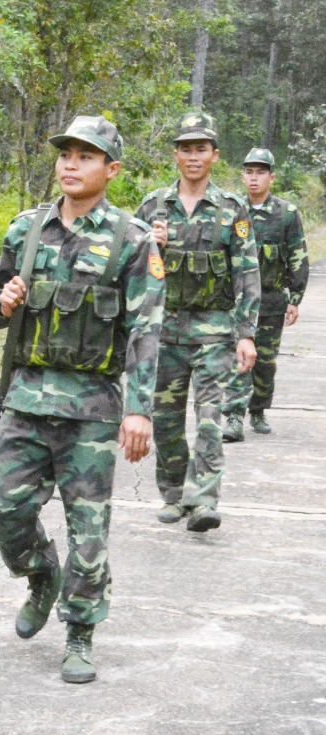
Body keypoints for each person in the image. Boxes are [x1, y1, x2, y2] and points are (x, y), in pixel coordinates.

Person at [0, 116, 165, 683]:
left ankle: (80, 631)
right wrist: (4, 304)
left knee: (89, 530)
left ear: (111, 170)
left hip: (92, 410)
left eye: (86, 156)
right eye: (65, 153)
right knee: (4, 514)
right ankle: (40, 573)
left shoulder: (133, 241)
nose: (70, 164)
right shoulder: (25, 230)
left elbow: (146, 328)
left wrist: (139, 408)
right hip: (28, 399)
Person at [135, 111, 260, 532]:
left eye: (201, 149)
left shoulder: (232, 208)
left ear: (214, 155)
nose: (193, 156)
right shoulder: (153, 206)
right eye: (186, 149)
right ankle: (173, 496)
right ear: (175, 155)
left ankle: (203, 499)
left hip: (214, 331)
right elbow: (131, 270)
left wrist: (246, 334)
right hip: (163, 331)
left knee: (210, 418)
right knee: (166, 420)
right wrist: (151, 247)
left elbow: (247, 272)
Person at [221, 148, 309, 441]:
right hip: (237, 301)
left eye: (260, 172)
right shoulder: (232, 210)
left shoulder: (286, 214)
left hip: (271, 301)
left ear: (271, 177)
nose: (254, 178)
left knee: (265, 363)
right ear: (243, 176)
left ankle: (258, 410)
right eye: (249, 172)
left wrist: (295, 298)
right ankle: (233, 416)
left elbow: (298, 256)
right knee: (237, 359)